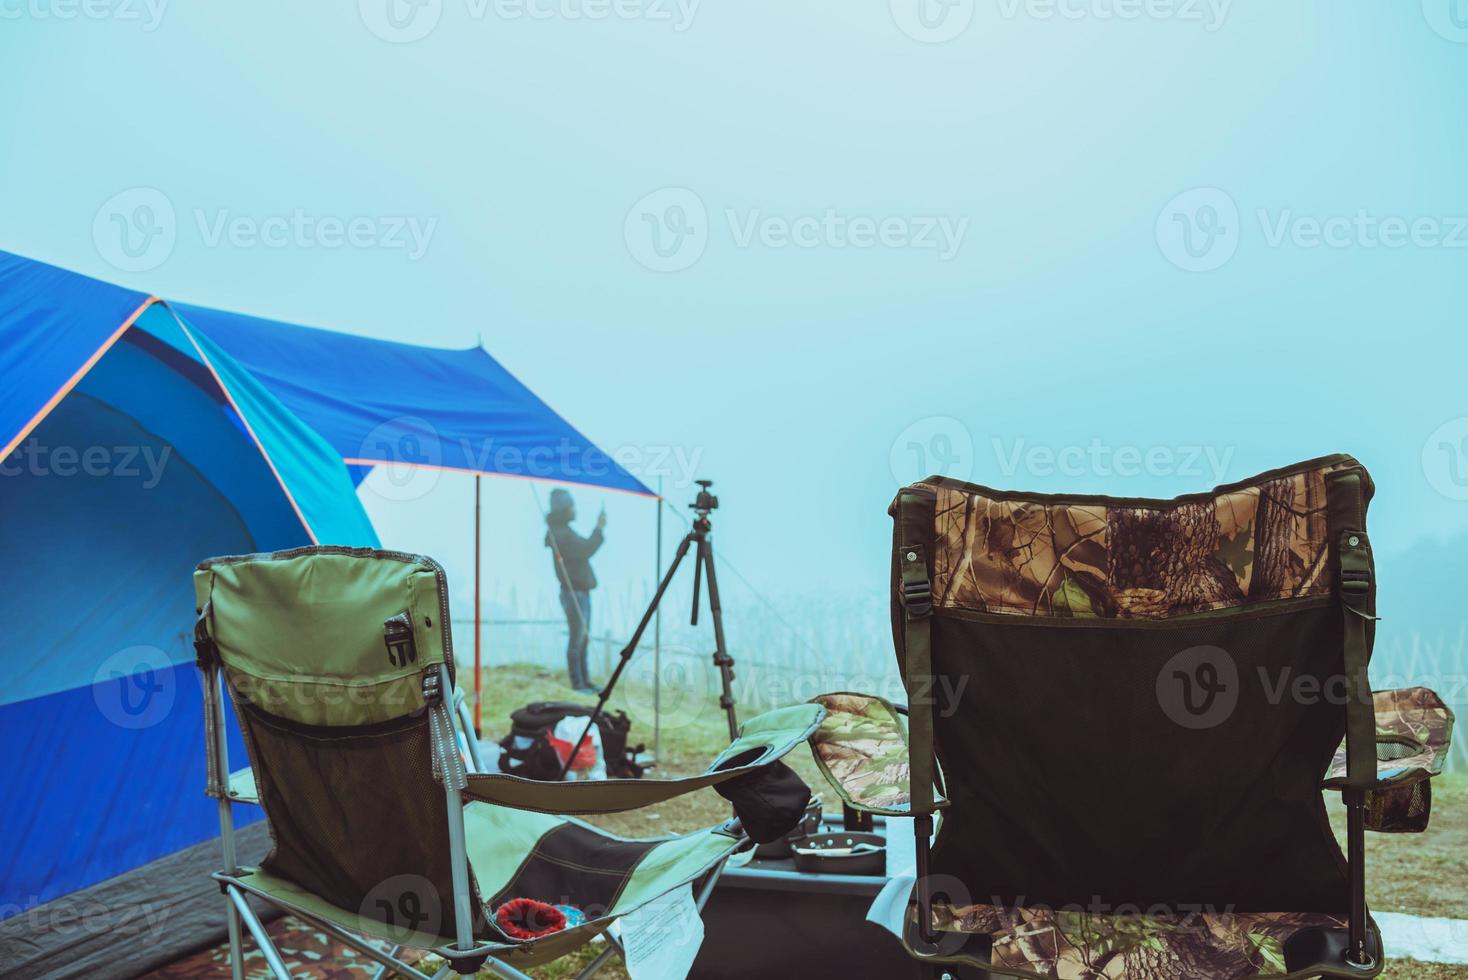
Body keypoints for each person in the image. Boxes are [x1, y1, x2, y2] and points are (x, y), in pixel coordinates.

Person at [544, 488, 605, 694]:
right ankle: (578, 683)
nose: (574, 510)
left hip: (580, 592)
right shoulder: (561, 534)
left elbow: (583, 549)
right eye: (571, 507)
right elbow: (586, 549)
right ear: (563, 510)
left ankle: (585, 681)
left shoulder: (562, 532)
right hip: (574, 593)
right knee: (577, 637)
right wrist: (599, 528)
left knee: (582, 637)